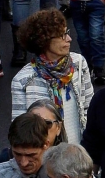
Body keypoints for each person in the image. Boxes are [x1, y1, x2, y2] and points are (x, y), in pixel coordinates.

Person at [11, 8, 94, 144]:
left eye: (67, 33)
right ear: (44, 40)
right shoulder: (22, 80)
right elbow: (19, 130)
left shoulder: (79, 63)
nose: (69, 39)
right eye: (62, 35)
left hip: (79, 154)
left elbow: (90, 110)